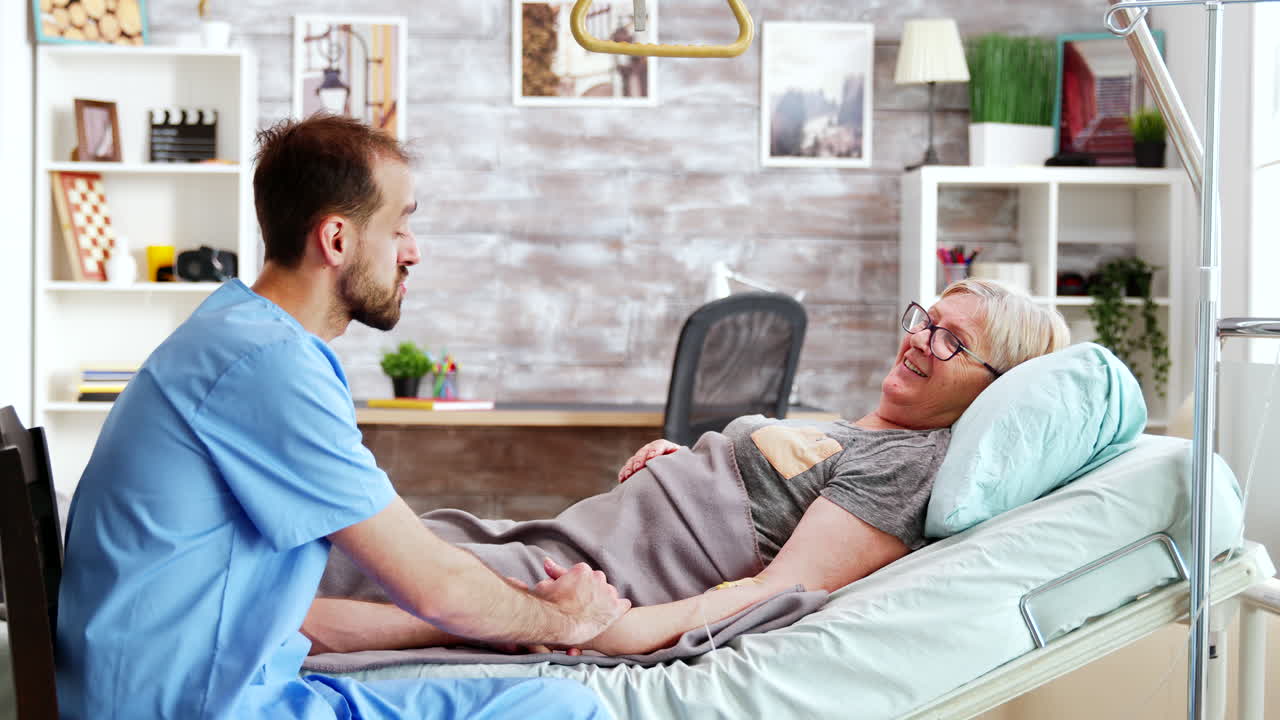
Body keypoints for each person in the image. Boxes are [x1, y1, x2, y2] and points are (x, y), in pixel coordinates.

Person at [54, 115, 630, 720]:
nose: (414, 251)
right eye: (400, 226)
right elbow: (433, 582)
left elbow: (301, 619)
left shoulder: (240, 333)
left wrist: (498, 621)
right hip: (199, 709)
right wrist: (569, 617)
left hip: (224, 689)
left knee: (550, 700)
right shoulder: (268, 364)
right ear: (336, 239)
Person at [304, 279, 1070, 657]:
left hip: (603, 570)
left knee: (386, 574)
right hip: (581, 530)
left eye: (950, 342)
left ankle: (226, 631)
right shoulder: (861, 428)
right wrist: (686, 463)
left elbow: (779, 587)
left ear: (993, 386)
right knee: (399, 541)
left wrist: (618, 630)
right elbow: (771, 493)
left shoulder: (907, 465)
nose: (918, 340)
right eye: (925, 321)